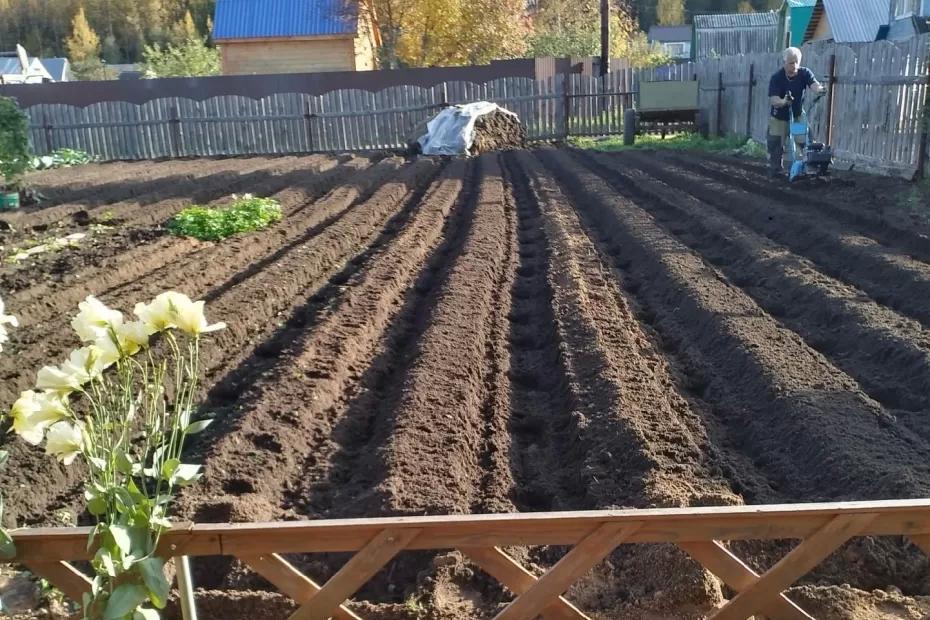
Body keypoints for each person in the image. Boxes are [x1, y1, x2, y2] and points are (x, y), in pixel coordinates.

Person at [767, 47, 826, 178]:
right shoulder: (777, 78)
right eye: (791, 63)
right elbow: (773, 99)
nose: (794, 65)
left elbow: (814, 84)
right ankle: (776, 170)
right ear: (784, 62)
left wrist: (820, 90)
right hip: (779, 117)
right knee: (776, 144)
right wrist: (783, 101)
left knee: (805, 141)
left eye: (796, 62)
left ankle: (811, 167)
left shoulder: (804, 73)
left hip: (797, 115)